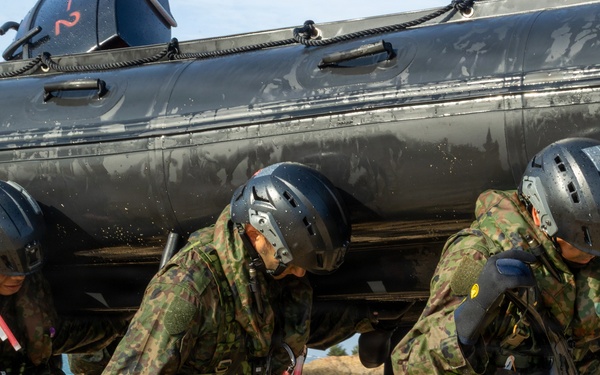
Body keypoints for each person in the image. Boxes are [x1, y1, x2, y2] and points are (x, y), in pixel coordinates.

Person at [102, 161, 353, 374]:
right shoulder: (187, 290)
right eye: (292, 262)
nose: (300, 273)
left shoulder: (277, 283)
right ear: (257, 234)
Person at [391, 137, 600, 374]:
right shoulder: (478, 254)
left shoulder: (588, 264)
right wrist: (470, 318)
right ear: (542, 217)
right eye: (586, 239)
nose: (592, 253)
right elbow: (410, 365)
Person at [0, 180, 128, 374]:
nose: (18, 279)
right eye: (6, 270)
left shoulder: (28, 284)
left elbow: (56, 335)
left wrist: (121, 322)